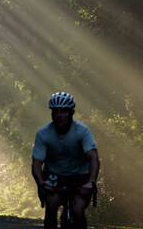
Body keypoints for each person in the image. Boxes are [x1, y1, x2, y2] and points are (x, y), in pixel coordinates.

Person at [32, 92, 100, 229]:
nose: (59, 115)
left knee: (77, 210)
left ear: (71, 113)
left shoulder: (82, 131)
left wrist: (91, 182)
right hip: (54, 176)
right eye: (56, 111)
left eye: (63, 111)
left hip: (80, 176)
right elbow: (36, 164)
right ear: (51, 113)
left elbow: (93, 158)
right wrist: (41, 183)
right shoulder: (43, 134)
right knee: (51, 207)